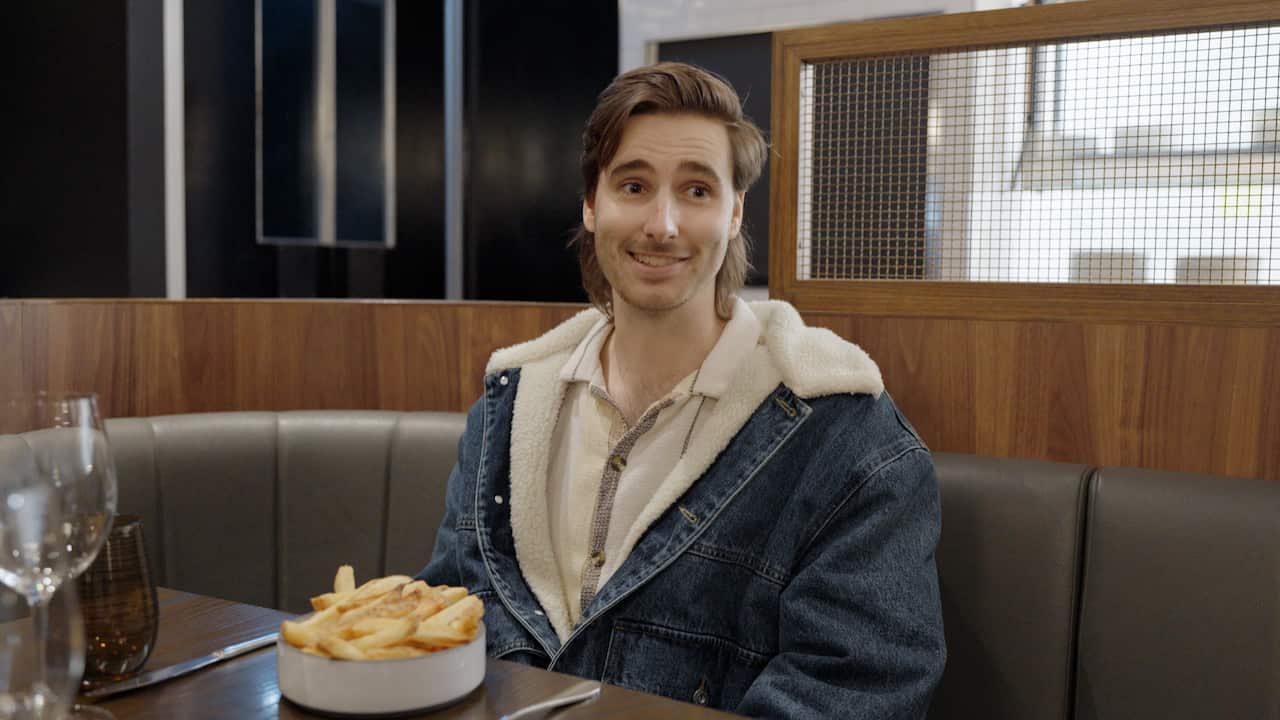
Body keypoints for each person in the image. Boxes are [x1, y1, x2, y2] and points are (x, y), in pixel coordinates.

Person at [418, 61, 945, 717]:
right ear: (591, 204)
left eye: (697, 190)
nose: (662, 224)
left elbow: (853, 691)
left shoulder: (848, 441)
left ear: (734, 211)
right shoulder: (507, 410)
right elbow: (446, 621)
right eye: (634, 186)